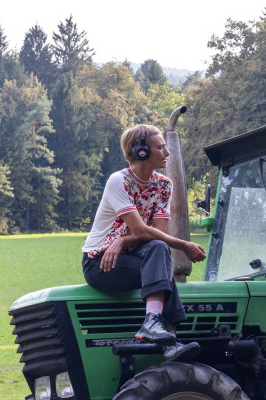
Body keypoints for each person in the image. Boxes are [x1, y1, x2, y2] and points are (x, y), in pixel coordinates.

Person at [81, 124, 206, 355]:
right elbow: (142, 230)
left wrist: (122, 241)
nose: (166, 152)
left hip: (136, 256)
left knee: (159, 251)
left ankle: (158, 328)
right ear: (142, 152)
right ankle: (166, 334)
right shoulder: (119, 181)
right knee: (162, 256)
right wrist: (184, 245)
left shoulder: (163, 186)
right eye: (160, 147)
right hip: (102, 262)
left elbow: (155, 234)